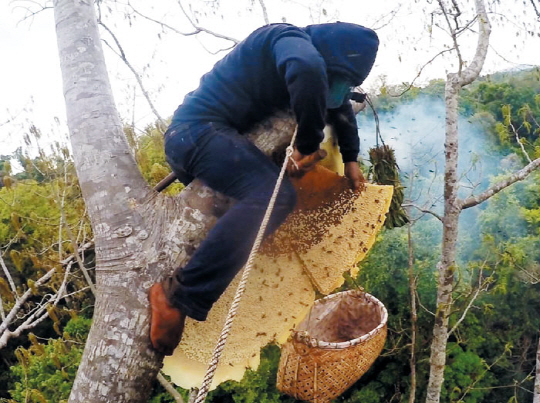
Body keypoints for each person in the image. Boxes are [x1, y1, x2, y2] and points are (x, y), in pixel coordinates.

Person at [149, 22, 379, 355]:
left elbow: (338, 104)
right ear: (322, 52)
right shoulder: (285, 37)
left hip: (220, 143)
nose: (333, 89)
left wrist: (352, 158)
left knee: (260, 203)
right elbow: (307, 69)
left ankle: (191, 288)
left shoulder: (314, 62)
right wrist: (307, 143)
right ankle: (177, 298)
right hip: (194, 133)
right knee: (273, 198)